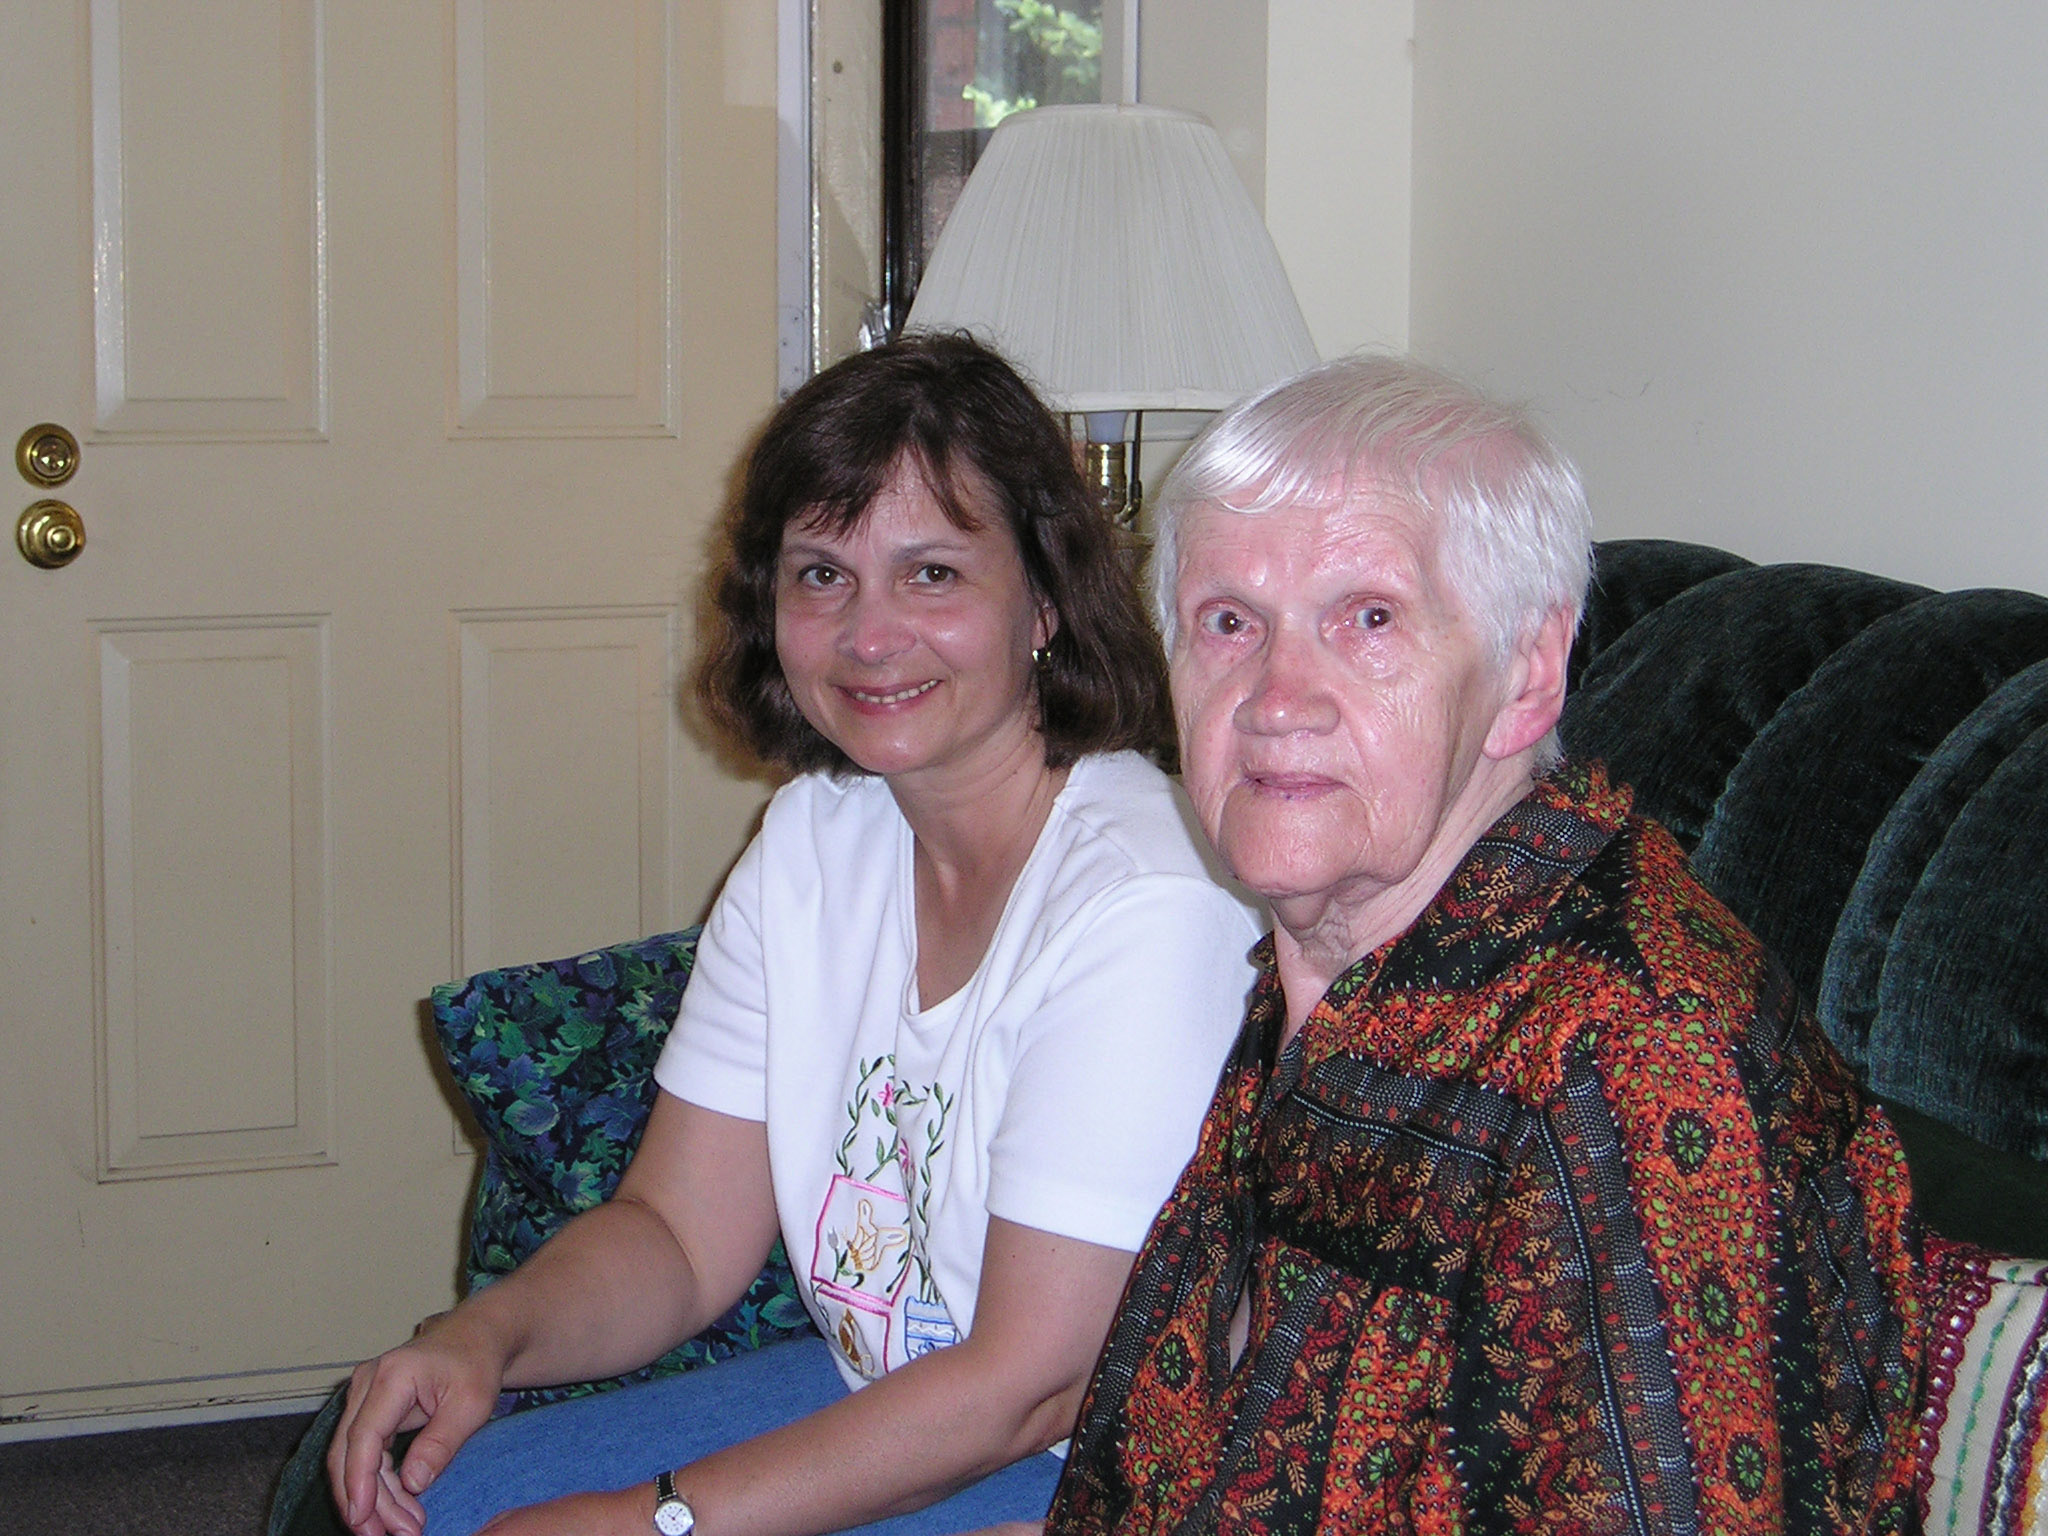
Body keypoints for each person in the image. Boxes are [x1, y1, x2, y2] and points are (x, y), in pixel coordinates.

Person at [328, 333, 1261, 1536]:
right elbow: (676, 1237)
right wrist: (483, 1337)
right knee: (444, 1503)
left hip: (1111, 1469)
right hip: (890, 1394)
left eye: (931, 574)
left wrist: (657, 1521)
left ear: (1041, 600)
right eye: (821, 575)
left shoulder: (1149, 898)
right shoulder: (814, 838)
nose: (868, 635)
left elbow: (1031, 1386)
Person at [1043, 355, 1925, 1535]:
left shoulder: (1630, 1067)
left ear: (1524, 676)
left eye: (1367, 619)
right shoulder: (1343, 960)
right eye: (1228, 623)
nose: (1274, 697)